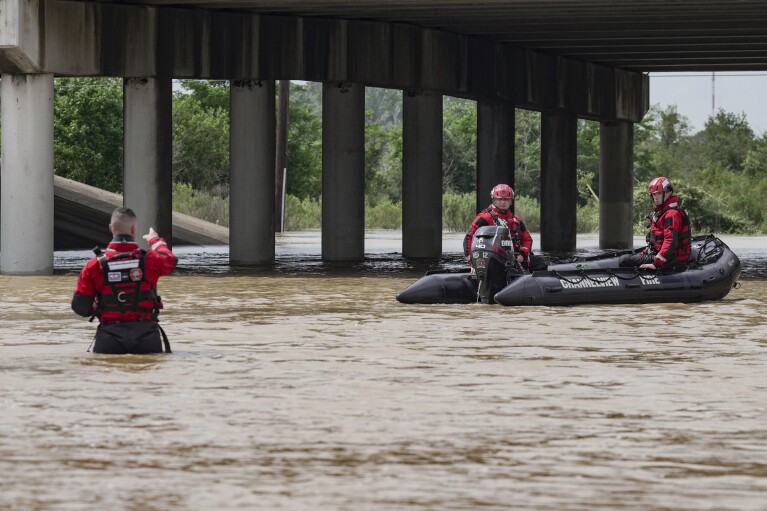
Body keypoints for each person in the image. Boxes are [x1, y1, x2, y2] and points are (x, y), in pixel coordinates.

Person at [71, 207, 178, 354]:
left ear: (111, 228)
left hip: (109, 336)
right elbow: (171, 261)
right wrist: (155, 240)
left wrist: (98, 306)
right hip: (146, 335)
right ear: (134, 229)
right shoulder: (151, 260)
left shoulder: (94, 266)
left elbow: (80, 307)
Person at [464, 184, 547, 271]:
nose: (503, 202)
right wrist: (473, 263)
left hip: (515, 259)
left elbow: (527, 239)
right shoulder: (485, 217)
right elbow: (468, 238)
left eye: (506, 200)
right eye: (499, 199)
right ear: (493, 200)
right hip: (495, 260)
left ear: (511, 201)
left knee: (540, 263)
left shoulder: (516, 220)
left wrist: (522, 255)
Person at [619, 176, 691, 271]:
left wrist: (655, 264)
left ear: (668, 192)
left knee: (624, 260)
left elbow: (671, 241)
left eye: (659, 193)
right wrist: (645, 253)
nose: (656, 197)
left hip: (671, 258)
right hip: (662, 254)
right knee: (629, 256)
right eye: (654, 194)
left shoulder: (672, 214)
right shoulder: (662, 212)